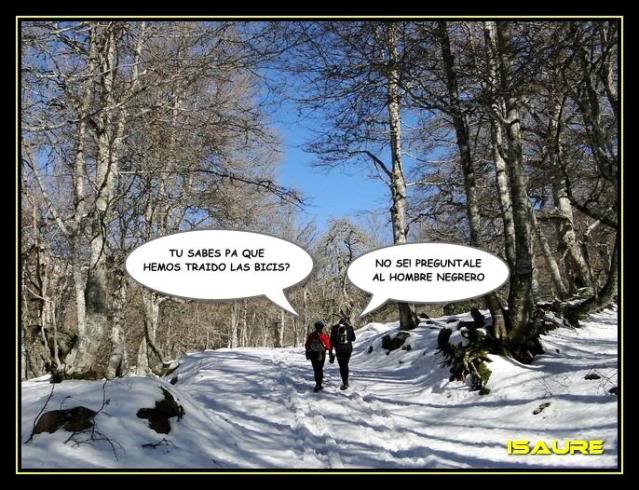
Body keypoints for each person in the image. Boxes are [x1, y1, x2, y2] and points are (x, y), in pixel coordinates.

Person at [329, 318, 356, 390]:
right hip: (348, 349)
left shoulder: (335, 328)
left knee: (342, 365)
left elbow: (331, 340)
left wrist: (331, 351)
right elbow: (353, 338)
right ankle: (346, 381)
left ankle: (344, 382)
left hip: (339, 349)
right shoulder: (350, 327)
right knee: (345, 364)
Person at [305, 320, 332, 392]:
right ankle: (319, 384)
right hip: (321, 354)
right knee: (320, 368)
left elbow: (307, 345)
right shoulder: (324, 335)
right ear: (322, 327)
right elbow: (328, 346)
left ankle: (317, 383)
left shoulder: (311, 335)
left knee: (315, 368)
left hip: (312, 353)